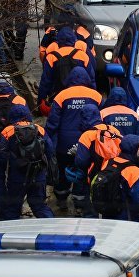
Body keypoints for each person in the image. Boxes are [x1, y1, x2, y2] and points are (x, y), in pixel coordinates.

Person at [44, 68, 103, 211]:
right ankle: (79, 203)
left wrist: (47, 140)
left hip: (64, 143)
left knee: (63, 170)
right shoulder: (96, 96)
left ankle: (62, 198)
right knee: (82, 171)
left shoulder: (61, 96)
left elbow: (53, 123)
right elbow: (102, 119)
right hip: (87, 143)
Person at [0, 104, 55, 221]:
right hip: (38, 176)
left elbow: (0, 158)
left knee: (12, 208)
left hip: (17, 178)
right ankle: (52, 232)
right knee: (39, 206)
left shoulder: (8, 131)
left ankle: (9, 235)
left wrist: (0, 178)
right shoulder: (39, 129)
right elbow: (50, 150)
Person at [67, 105, 123, 217]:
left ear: (83, 118)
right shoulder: (113, 130)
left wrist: (76, 154)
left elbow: (81, 162)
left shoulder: (86, 136)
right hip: (115, 175)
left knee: (91, 209)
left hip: (95, 177)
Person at [87, 134, 139, 220]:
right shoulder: (134, 170)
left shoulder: (108, 162)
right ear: (133, 150)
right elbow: (138, 197)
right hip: (126, 217)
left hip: (107, 213)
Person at [38, 26, 95, 105]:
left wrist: (40, 102)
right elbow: (91, 78)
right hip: (80, 97)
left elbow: (45, 81)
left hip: (57, 97)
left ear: (58, 40)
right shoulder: (82, 55)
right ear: (74, 40)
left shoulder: (52, 56)